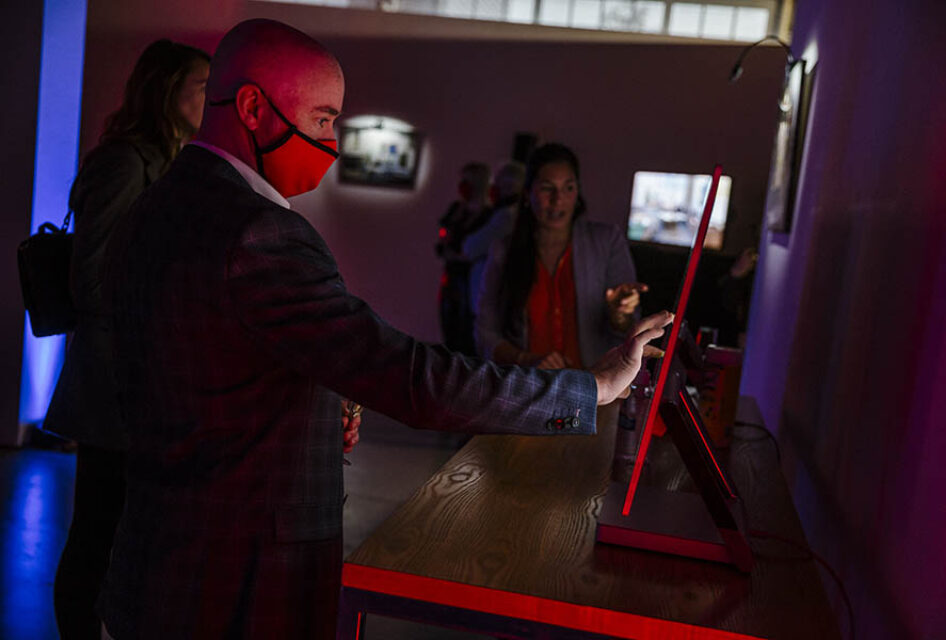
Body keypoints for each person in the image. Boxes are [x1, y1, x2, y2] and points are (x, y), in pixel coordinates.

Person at [97, 19, 672, 639]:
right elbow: (411, 378)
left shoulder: (157, 204)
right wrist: (590, 389)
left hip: (158, 562)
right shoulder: (260, 233)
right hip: (241, 575)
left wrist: (316, 403)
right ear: (254, 108)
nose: (334, 141)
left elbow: (208, 371)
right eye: (322, 120)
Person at [41, 39, 210, 640]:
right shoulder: (125, 162)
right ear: (166, 90)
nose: (209, 98)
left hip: (138, 381)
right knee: (97, 528)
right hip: (117, 382)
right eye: (200, 85)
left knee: (118, 528)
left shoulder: (165, 159)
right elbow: (92, 280)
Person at [475, 142, 647, 370]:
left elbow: (627, 327)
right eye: (547, 188)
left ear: (578, 193)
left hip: (595, 389)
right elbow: (485, 333)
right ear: (528, 194)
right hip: (529, 390)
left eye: (568, 188)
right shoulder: (504, 251)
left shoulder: (606, 242)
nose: (558, 200)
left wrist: (620, 312)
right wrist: (527, 360)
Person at [436, 161, 491, 354]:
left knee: (465, 330)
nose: (462, 186)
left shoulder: (488, 215)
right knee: (448, 325)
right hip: (451, 278)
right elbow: (443, 239)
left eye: (467, 181)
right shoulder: (457, 209)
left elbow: (475, 249)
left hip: (470, 281)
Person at [462, 159, 525, 316]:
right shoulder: (507, 213)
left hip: (492, 301)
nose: (493, 188)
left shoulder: (507, 216)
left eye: (496, 183)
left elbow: (471, 247)